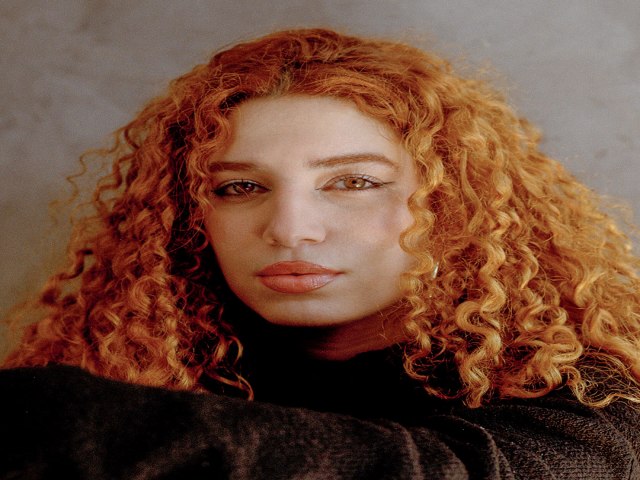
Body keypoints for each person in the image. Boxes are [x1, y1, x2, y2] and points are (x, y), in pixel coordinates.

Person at [1, 27, 640, 479]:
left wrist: (52, 414)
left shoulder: (591, 400)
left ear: (455, 204)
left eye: (353, 182)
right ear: (190, 216)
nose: (290, 229)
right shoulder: (136, 364)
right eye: (240, 187)